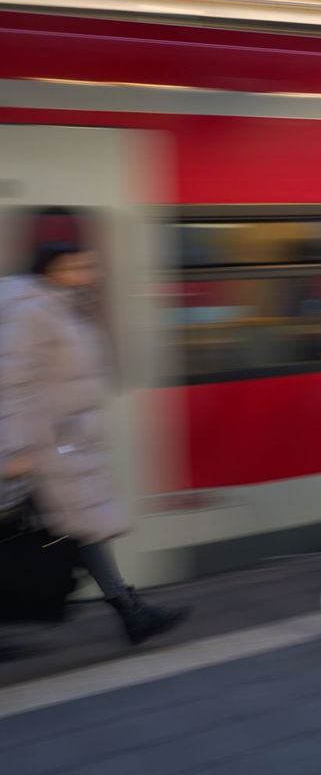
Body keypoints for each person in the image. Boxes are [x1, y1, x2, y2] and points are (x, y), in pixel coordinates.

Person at [0, 243, 191, 646]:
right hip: (36, 450)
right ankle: (131, 612)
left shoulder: (58, 306)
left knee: (83, 529)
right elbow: (12, 383)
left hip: (57, 447)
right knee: (80, 529)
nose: (89, 271)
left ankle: (131, 612)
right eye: (78, 265)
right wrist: (15, 452)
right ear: (53, 268)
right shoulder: (34, 310)